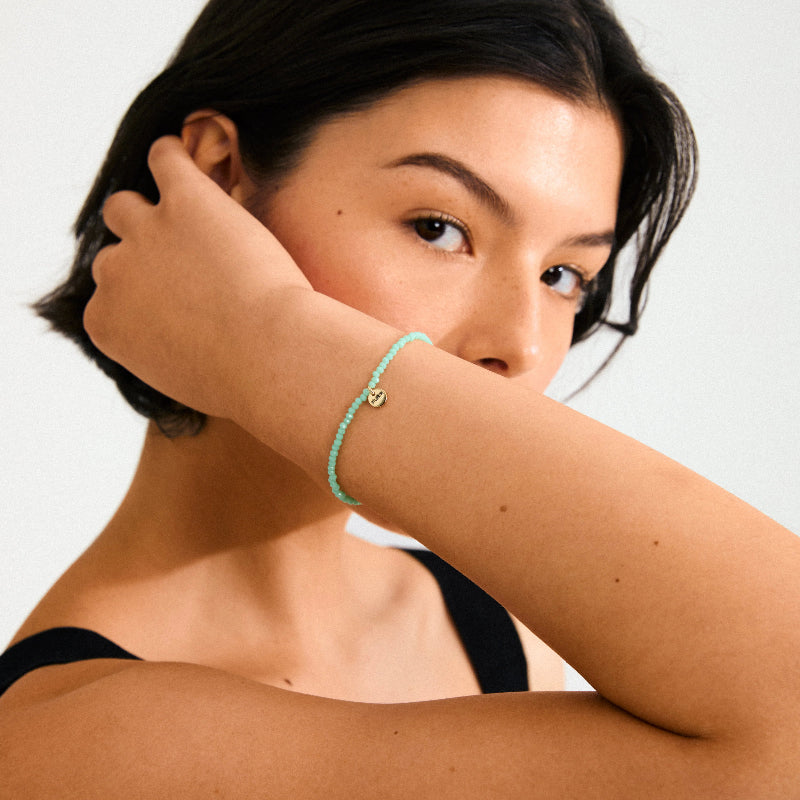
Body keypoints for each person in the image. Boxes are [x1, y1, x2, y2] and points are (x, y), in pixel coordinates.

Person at [1, 1, 798, 796]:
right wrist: (267, 333)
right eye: (439, 228)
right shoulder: (70, 738)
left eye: (563, 277)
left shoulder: (498, 628)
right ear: (217, 182)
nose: (520, 344)